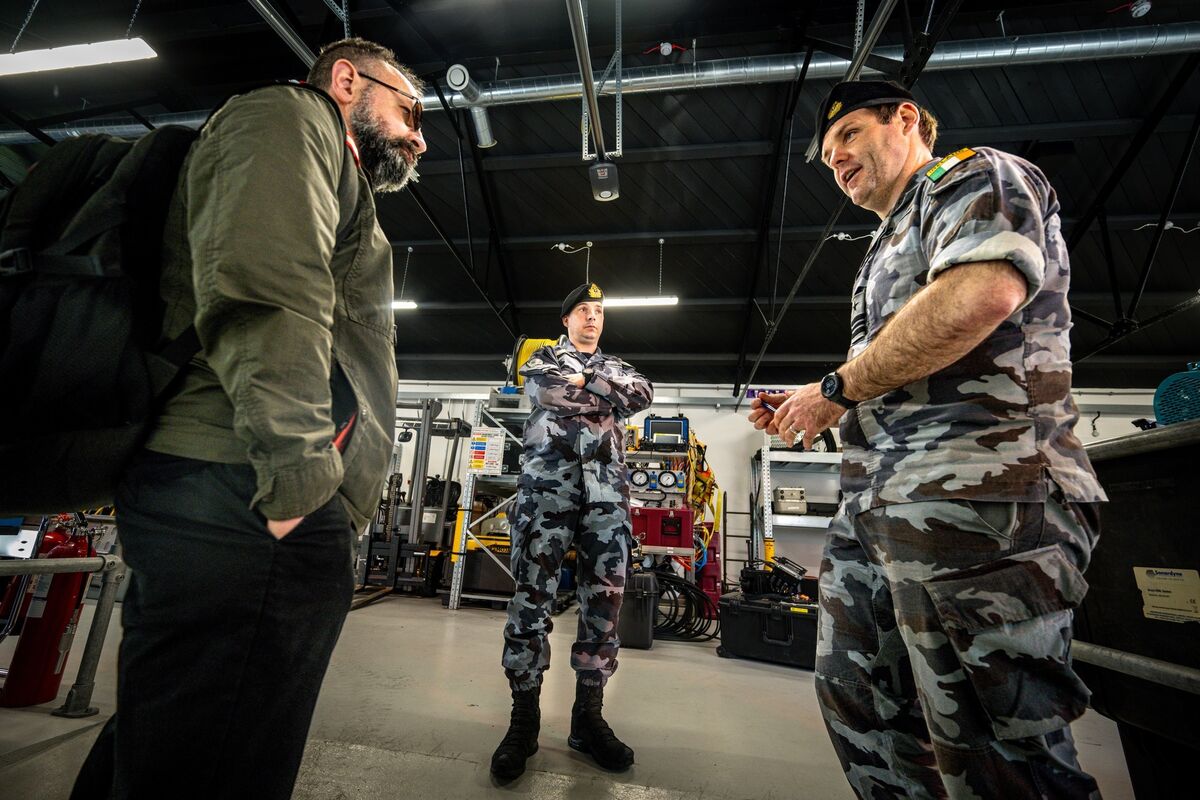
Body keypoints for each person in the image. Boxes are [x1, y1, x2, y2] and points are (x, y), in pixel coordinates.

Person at [70, 38, 426, 800]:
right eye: (409, 109)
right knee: (217, 763)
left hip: (240, 491)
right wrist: (300, 484)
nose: (418, 135)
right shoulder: (290, 117)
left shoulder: (326, 160)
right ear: (345, 79)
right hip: (249, 489)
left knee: (176, 741)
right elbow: (269, 286)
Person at [748, 80, 1107, 798]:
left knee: (995, 750)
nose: (837, 159)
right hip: (882, 507)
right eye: (827, 153)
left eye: (848, 134)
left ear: (905, 119)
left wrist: (834, 392)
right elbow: (887, 371)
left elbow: (983, 294)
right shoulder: (884, 244)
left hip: (983, 494)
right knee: (863, 707)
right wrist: (817, 402)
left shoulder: (976, 175)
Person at [491, 282, 654, 780]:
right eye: (583, 311)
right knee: (531, 597)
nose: (591, 318)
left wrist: (591, 381)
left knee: (604, 602)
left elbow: (642, 394)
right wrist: (606, 397)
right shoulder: (541, 359)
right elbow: (549, 394)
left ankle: (587, 718)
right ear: (566, 320)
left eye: (598, 311)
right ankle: (524, 719)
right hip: (547, 494)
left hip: (605, 498)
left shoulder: (618, 366)